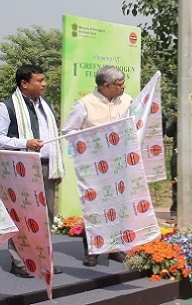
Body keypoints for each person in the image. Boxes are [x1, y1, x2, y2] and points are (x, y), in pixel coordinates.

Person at [0, 65, 65, 277]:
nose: (44, 84)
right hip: (21, 168)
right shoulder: (6, 107)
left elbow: (52, 135)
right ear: (24, 83)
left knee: (46, 215)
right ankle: (19, 261)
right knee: (22, 215)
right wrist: (25, 142)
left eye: (44, 80)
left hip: (46, 166)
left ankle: (42, 258)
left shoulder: (45, 105)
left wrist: (57, 167)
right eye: (39, 80)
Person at [61, 65, 133, 267]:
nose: (123, 87)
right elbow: (69, 130)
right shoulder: (85, 104)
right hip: (93, 165)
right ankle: (92, 250)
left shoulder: (127, 101)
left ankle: (115, 249)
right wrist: (93, 140)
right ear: (106, 86)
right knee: (94, 207)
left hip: (120, 164)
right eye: (119, 85)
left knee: (118, 207)